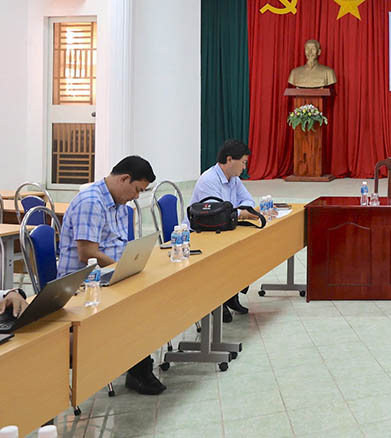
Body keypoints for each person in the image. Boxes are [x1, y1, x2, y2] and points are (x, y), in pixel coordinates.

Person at [57, 156, 165, 395]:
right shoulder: (91, 202)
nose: (136, 197)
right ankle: (138, 370)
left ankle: (138, 366)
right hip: (84, 284)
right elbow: (87, 253)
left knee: (153, 292)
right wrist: (121, 266)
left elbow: (115, 246)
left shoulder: (117, 204)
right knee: (137, 305)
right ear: (124, 179)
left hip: (109, 276)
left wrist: (129, 265)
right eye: (137, 190)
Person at [191, 139, 257, 321]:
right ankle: (217, 301)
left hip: (226, 228)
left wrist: (240, 212)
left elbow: (248, 202)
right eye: (243, 162)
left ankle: (231, 295)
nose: (244, 167)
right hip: (203, 234)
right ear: (229, 160)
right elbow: (213, 215)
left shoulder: (233, 179)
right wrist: (240, 213)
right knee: (229, 255)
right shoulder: (209, 180)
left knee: (252, 248)